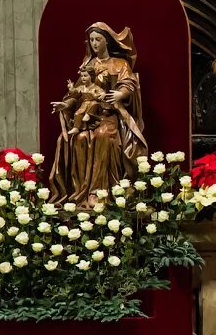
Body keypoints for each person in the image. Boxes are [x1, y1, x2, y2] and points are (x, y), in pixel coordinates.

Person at [49, 23, 147, 206]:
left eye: (98, 39)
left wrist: (120, 93)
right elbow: (78, 92)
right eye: (91, 40)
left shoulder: (120, 64)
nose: (94, 43)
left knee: (102, 136)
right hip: (87, 117)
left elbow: (129, 84)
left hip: (109, 116)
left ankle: (99, 192)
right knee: (77, 139)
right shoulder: (88, 64)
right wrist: (66, 104)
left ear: (107, 41)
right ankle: (80, 192)